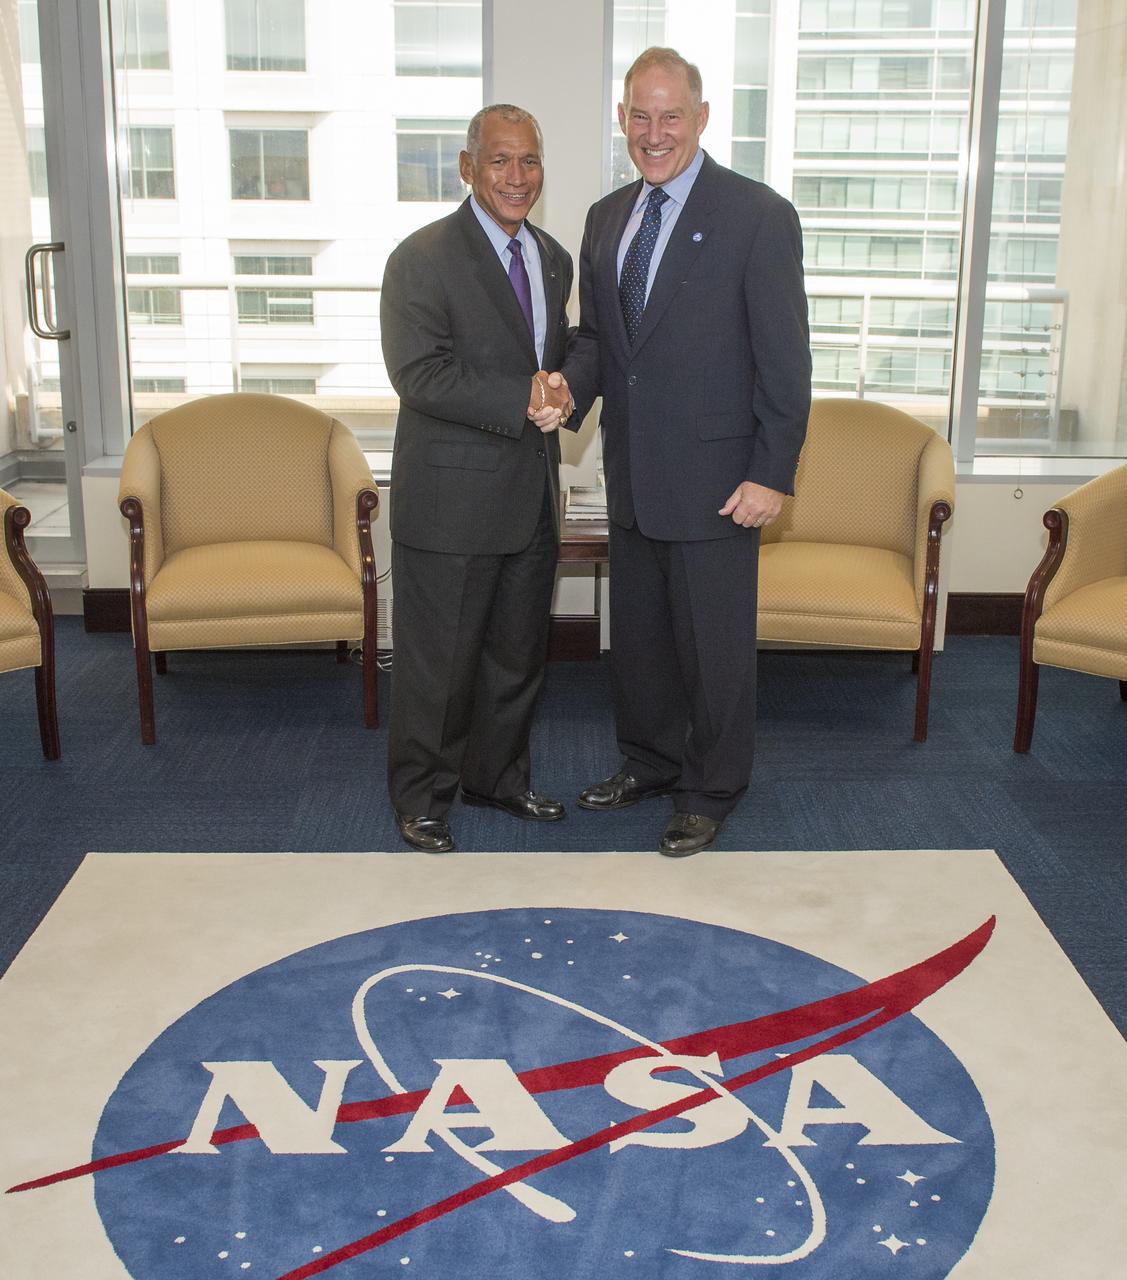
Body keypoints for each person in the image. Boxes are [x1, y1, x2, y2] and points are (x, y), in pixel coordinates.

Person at [561, 47, 811, 857]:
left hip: (718, 481)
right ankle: (649, 763)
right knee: (638, 643)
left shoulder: (756, 215)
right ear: (622, 119)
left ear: (701, 119)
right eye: (640, 115)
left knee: (714, 649)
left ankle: (710, 788)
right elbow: (602, 341)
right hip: (631, 472)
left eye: (671, 115)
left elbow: (785, 360)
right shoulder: (605, 218)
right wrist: (565, 391)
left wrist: (771, 473)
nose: (654, 131)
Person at [380, 104, 573, 853]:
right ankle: (422, 798)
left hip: (528, 497)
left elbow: (557, 351)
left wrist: (563, 388)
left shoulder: (549, 257)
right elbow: (418, 373)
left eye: (528, 161)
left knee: (515, 654)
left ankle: (496, 777)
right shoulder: (421, 257)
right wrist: (524, 397)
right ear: (467, 167)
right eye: (499, 161)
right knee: (439, 668)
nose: (516, 177)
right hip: (450, 504)